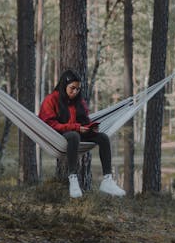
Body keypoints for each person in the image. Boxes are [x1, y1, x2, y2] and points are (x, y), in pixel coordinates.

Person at [39, 69, 126, 199]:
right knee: (74, 135)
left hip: (77, 132)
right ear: (64, 85)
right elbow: (49, 124)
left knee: (103, 137)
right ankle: (73, 179)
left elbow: (84, 121)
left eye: (78, 89)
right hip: (58, 134)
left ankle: (107, 180)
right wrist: (76, 128)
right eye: (72, 88)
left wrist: (90, 128)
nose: (75, 92)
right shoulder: (51, 100)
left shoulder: (79, 102)